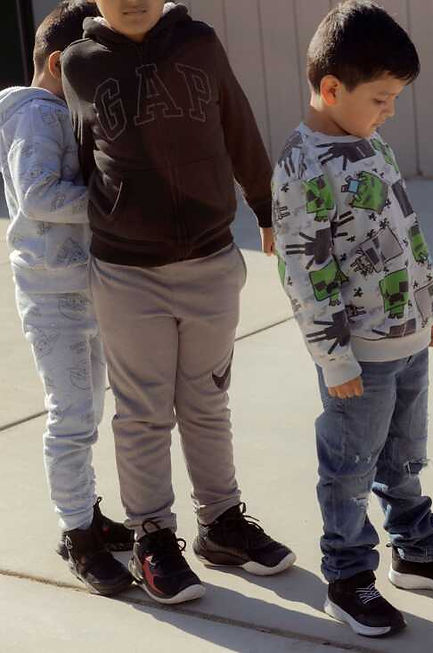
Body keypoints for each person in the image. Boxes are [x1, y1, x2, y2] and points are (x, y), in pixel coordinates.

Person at [60, 0, 294, 605]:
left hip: (210, 262)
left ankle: (221, 523)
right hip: (126, 272)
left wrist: (266, 206)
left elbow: (238, 125)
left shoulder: (200, 44)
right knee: (142, 412)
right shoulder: (81, 64)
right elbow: (85, 157)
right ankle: (153, 536)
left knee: (207, 400)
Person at [272, 0, 433, 638]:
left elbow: (404, 234)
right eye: (381, 97)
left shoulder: (370, 144)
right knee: (349, 464)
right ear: (331, 88)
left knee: (405, 454)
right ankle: (347, 575)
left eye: (395, 98)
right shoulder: (303, 166)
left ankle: (417, 549)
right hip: (358, 357)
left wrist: (427, 312)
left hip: (409, 338)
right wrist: (333, 357)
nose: (389, 110)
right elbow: (307, 273)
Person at [0, 0, 132, 596]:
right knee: (72, 417)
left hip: (84, 286)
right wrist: (111, 201)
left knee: (89, 411)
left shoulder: (58, 112)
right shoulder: (37, 116)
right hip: (52, 293)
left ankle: (87, 510)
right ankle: (76, 533)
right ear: (59, 63)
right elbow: (38, 197)